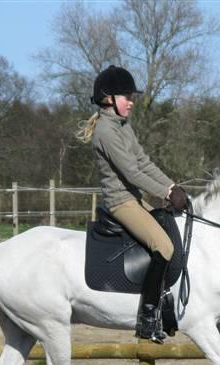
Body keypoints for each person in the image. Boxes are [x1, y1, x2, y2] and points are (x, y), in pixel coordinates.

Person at [77, 65, 188, 342]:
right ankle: (148, 317)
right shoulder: (106, 131)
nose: (132, 101)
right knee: (162, 246)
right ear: (109, 98)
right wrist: (165, 193)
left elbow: (143, 162)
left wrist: (172, 186)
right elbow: (131, 173)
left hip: (134, 200)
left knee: (170, 228)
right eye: (127, 96)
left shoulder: (123, 127)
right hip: (120, 202)